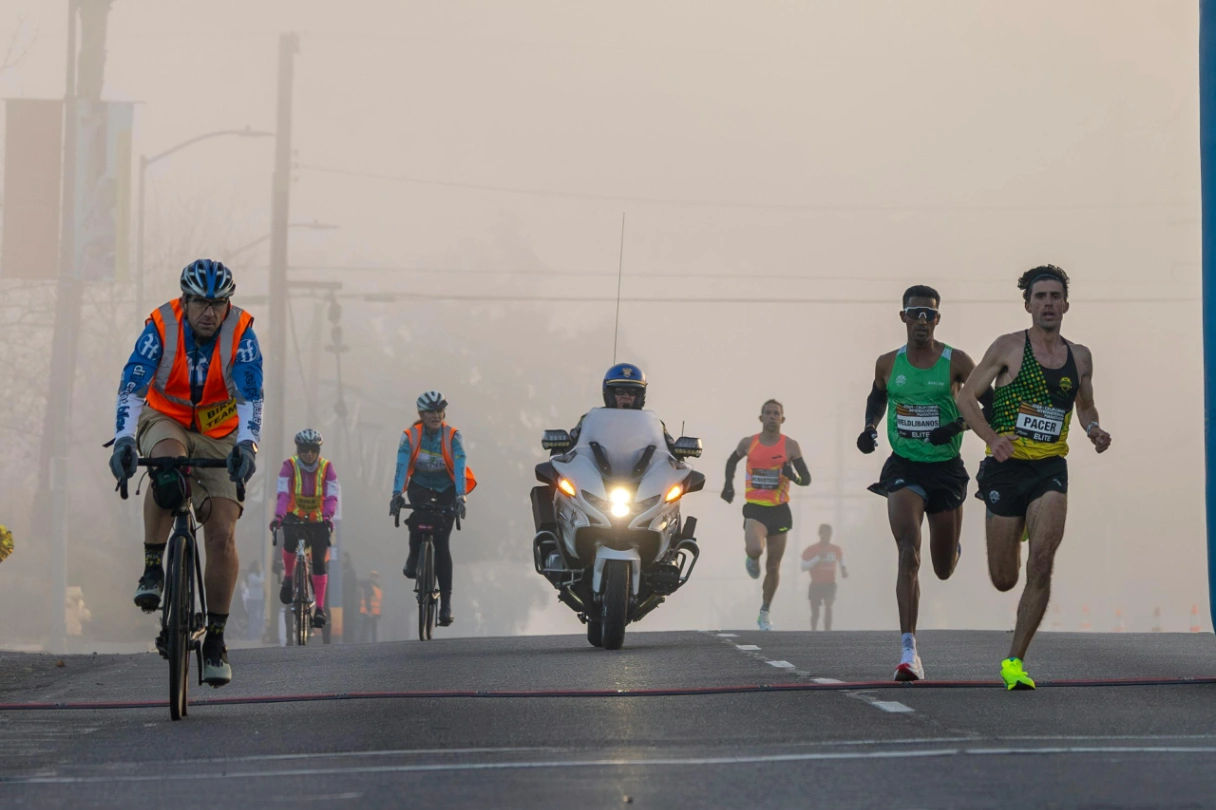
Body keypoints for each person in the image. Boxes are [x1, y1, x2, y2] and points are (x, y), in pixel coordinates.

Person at [956, 264, 1111, 691]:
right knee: (1004, 579)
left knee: (1042, 563)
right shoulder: (1008, 347)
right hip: (1006, 470)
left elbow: (1085, 404)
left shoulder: (1079, 356)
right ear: (1028, 304)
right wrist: (991, 438)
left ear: (1065, 304)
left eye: (1054, 296)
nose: (1048, 303)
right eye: (1040, 296)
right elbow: (966, 397)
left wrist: (1093, 428)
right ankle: (1015, 523)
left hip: (1049, 468)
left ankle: (1015, 662)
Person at [108, 258, 261, 687]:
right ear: (185, 300)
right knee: (167, 468)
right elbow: (133, 385)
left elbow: (251, 397)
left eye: (218, 304)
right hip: (168, 419)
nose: (210, 313)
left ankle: (215, 639)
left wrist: (248, 445)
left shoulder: (241, 332)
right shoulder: (161, 325)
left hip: (219, 430)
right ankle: (154, 567)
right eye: (200, 303)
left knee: (221, 532)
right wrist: (123, 438)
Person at [858, 284, 982, 681]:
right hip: (904, 468)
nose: (922, 322)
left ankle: (952, 548)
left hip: (945, 470)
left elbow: (991, 407)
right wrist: (869, 428)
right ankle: (908, 651)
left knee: (942, 568)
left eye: (929, 315)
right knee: (909, 550)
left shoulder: (957, 362)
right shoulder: (887, 363)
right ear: (903, 318)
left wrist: (956, 425)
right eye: (915, 314)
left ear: (937, 320)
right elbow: (877, 397)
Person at [721, 399, 812, 630]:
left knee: (773, 566)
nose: (772, 416)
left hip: (780, 511)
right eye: (768, 413)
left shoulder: (790, 446)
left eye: (776, 413)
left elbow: (806, 480)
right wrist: (728, 486)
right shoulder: (748, 443)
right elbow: (731, 461)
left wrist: (790, 475)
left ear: (783, 419)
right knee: (755, 548)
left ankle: (764, 611)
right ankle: (751, 558)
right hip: (755, 507)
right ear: (760, 418)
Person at [390, 390, 475, 627]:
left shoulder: (453, 436)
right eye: (431, 412)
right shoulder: (410, 436)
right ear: (421, 414)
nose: (436, 416)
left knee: (441, 541)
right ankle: (414, 556)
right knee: (419, 520)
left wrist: (460, 496)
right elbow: (401, 465)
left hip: (447, 487)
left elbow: (460, 465)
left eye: (439, 411)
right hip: (420, 486)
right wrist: (397, 494)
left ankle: (445, 604)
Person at [270, 428, 340, 629]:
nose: (308, 454)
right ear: (297, 449)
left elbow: (332, 496)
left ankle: (319, 609)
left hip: (319, 520)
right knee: (289, 541)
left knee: (319, 562)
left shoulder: (328, 468)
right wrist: (279, 516)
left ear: (318, 450)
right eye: (303, 449)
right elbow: (283, 494)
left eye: (312, 449)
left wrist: (327, 516)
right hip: (293, 516)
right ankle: (289, 578)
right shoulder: (288, 466)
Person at [801, 523, 847, 630]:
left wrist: (843, 570)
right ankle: (813, 630)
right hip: (816, 584)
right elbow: (804, 567)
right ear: (819, 534)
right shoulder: (811, 549)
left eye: (828, 534)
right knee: (815, 612)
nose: (826, 537)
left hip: (830, 584)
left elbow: (841, 560)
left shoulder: (835, 549)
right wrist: (817, 558)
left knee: (828, 604)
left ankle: (827, 631)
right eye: (824, 534)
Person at [242, 560, 264, 642]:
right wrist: (262, 574)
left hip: (259, 598)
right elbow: (260, 581)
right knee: (252, 618)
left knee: (257, 617)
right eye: (259, 566)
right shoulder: (251, 576)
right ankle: (250, 635)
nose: (260, 567)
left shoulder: (258, 575)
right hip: (253, 599)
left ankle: (255, 634)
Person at [359, 571, 382, 642]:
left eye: (376, 577)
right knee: (367, 629)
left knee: (370, 629)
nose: (375, 579)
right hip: (369, 612)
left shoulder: (377, 587)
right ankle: (365, 643)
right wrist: (369, 611)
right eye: (374, 577)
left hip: (374, 612)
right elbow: (367, 598)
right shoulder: (370, 586)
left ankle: (370, 643)